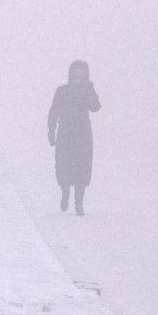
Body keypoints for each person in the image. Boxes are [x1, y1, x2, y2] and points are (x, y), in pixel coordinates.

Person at [47, 59, 101, 215]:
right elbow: (53, 112)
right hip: (65, 134)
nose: (77, 79)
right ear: (69, 76)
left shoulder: (87, 91)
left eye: (81, 76)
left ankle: (79, 202)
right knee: (64, 166)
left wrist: (90, 91)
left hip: (83, 135)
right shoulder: (62, 91)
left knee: (82, 168)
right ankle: (65, 194)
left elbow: (96, 107)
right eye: (75, 75)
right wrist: (51, 131)